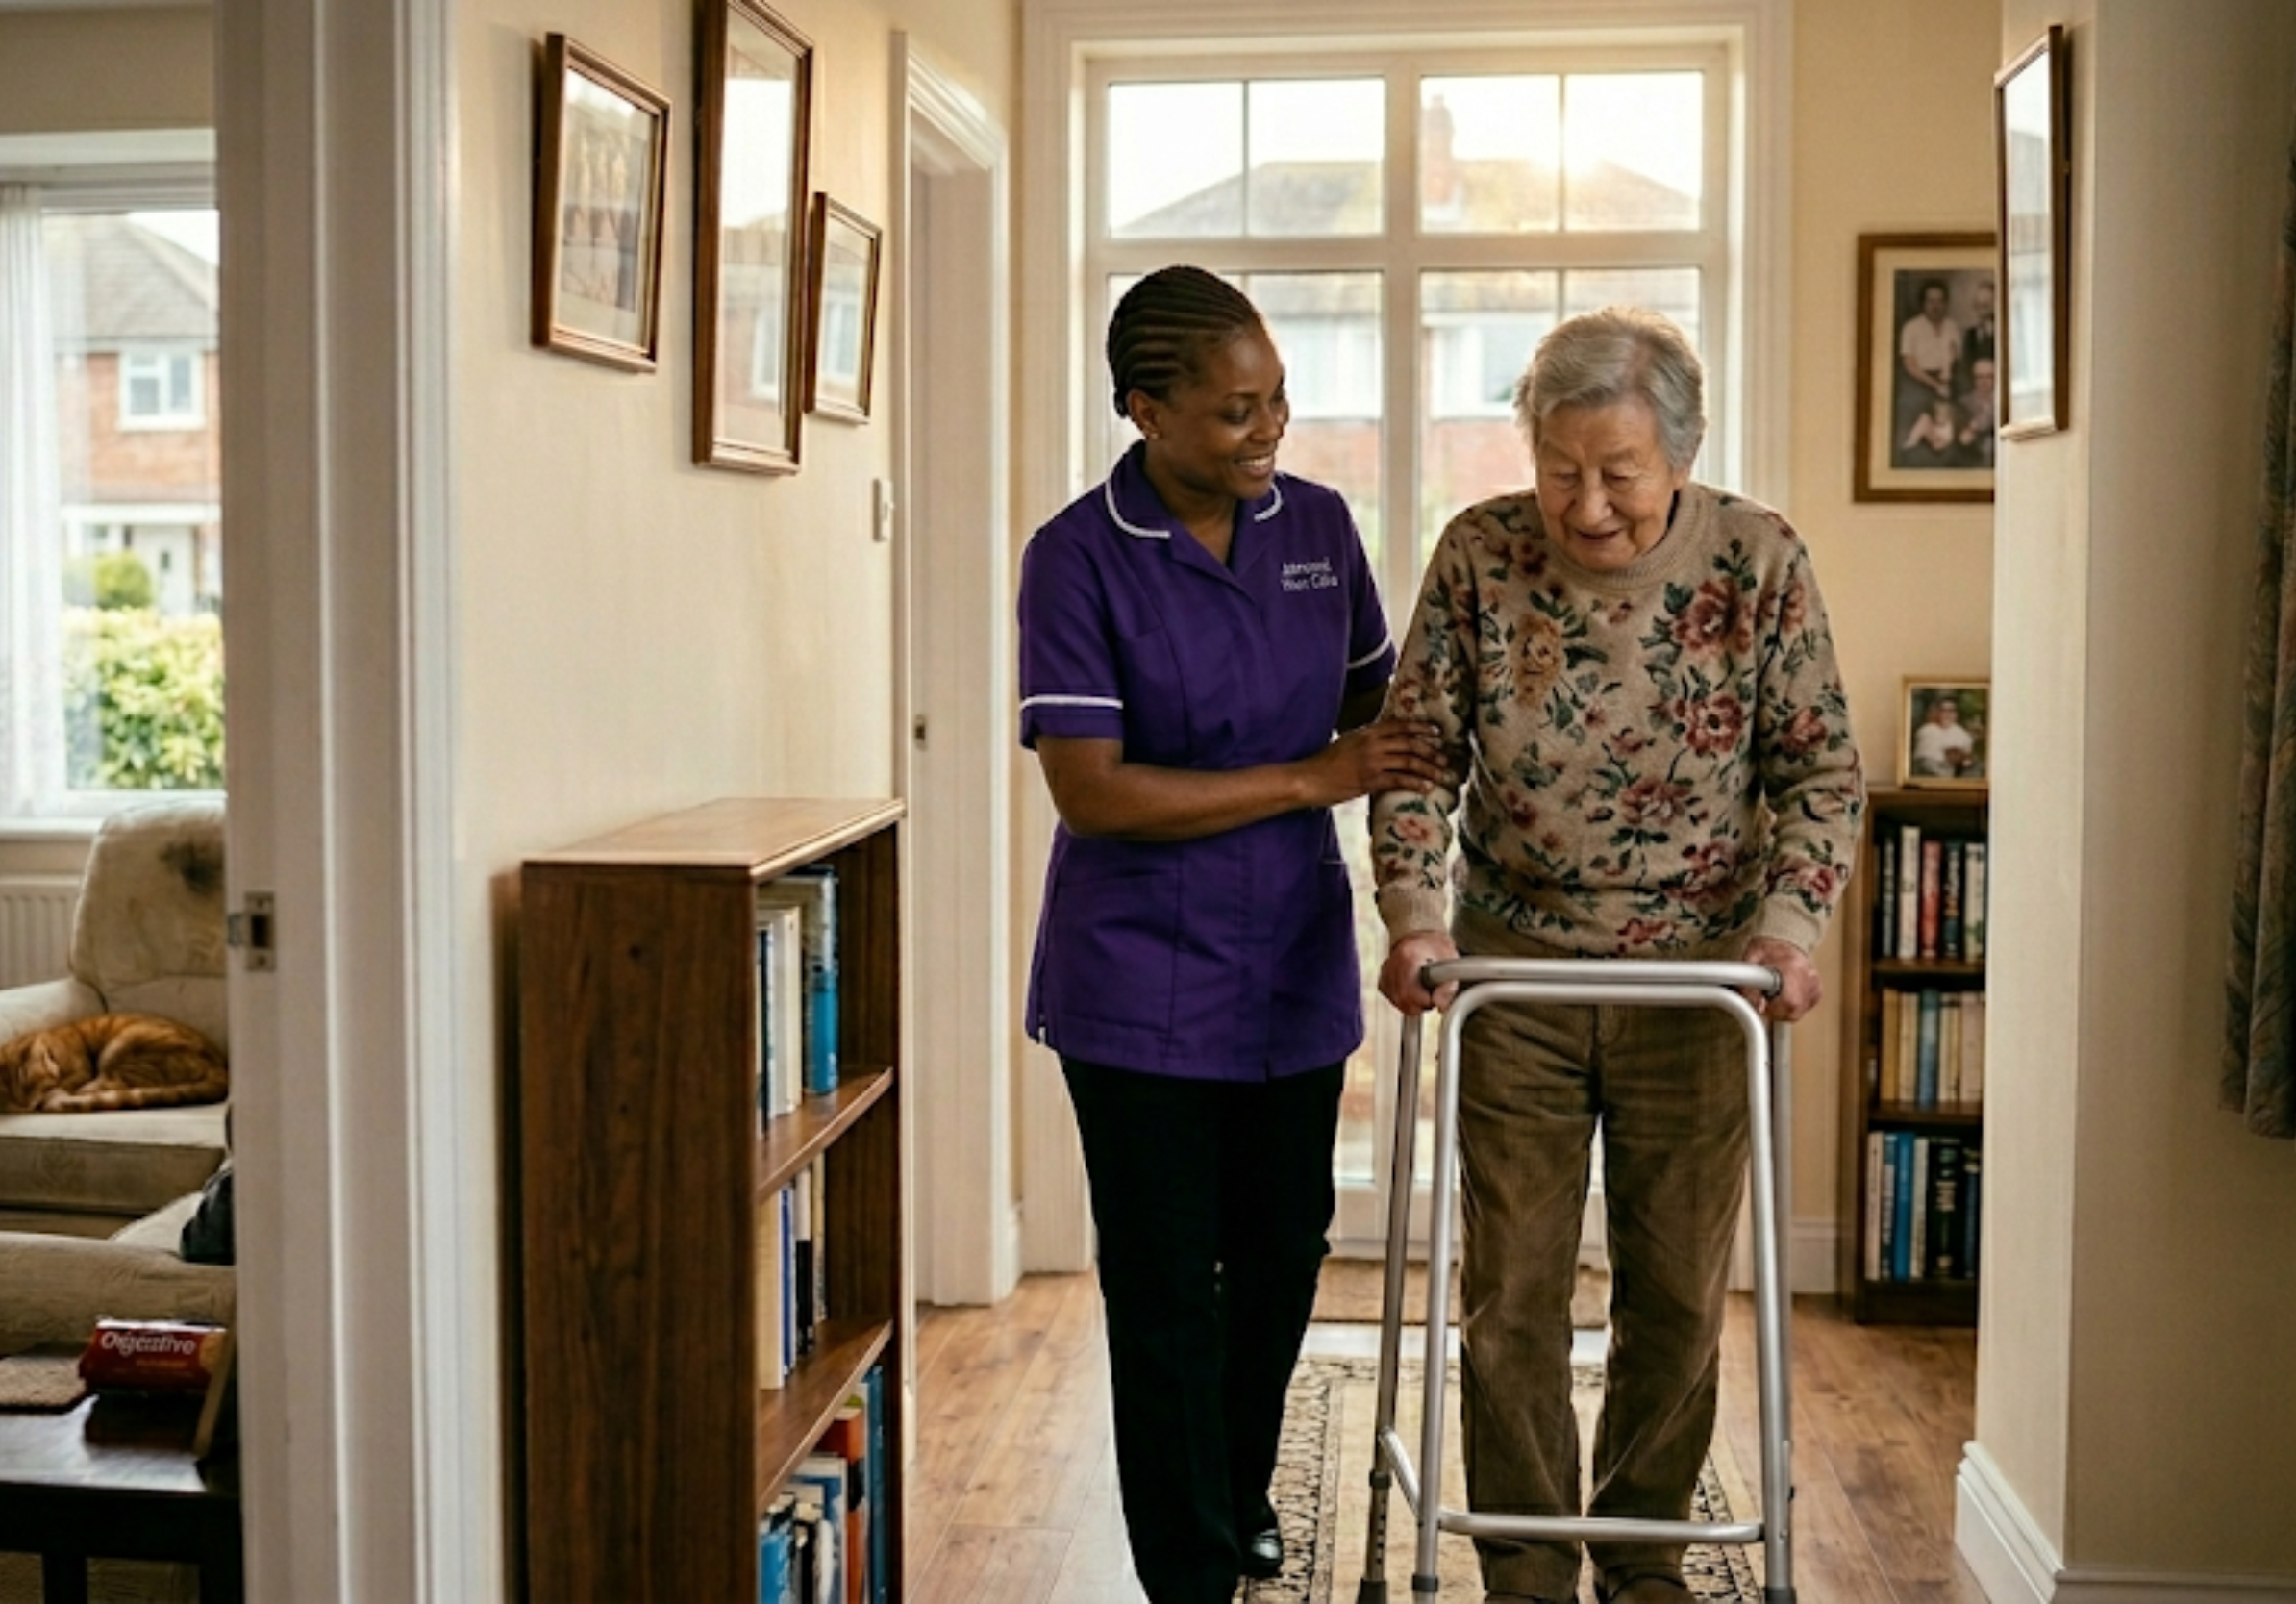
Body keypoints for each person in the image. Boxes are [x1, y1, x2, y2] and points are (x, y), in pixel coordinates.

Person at [1369, 307, 1864, 1604]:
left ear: (1682, 458)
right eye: (1558, 470)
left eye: (1619, 474)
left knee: (1676, 1297)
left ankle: (1641, 1557)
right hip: (1513, 976)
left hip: (1701, 981)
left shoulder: (1760, 561)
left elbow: (1819, 770)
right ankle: (1525, 1567)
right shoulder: (1478, 555)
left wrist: (1790, 934)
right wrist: (1416, 915)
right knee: (1512, 1292)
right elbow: (1417, 755)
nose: (1585, 507)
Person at [1016, 264, 1444, 1604]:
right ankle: (1191, 1571)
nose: (1268, 433)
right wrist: (1314, 777)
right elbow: (1094, 789)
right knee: (1164, 1288)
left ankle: (1237, 1492)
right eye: (1232, 412)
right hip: (1134, 974)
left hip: (1291, 967)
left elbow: (1396, 713)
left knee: (1280, 1256)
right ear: (1143, 408)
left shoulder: (1317, 527)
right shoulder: (1077, 555)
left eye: (1278, 403)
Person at [1895, 277, 1961, 459]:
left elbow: (1954, 356)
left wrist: (1946, 379)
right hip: (1918, 377)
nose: (1935, 306)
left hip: (1945, 377)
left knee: (1955, 411)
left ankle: (1946, 449)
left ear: (1946, 304)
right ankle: (1916, 449)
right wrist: (1935, 385)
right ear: (1923, 303)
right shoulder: (1911, 327)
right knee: (1916, 408)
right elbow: (1910, 364)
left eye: (1940, 301)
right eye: (1931, 301)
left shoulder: (1951, 326)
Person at [1909, 693, 1978, 778]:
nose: (1948, 714)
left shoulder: (1963, 734)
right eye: (1944, 710)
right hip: (1931, 775)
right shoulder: (1926, 731)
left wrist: (1965, 760)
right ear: (1937, 712)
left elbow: (1967, 760)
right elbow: (1927, 763)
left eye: (1952, 711)